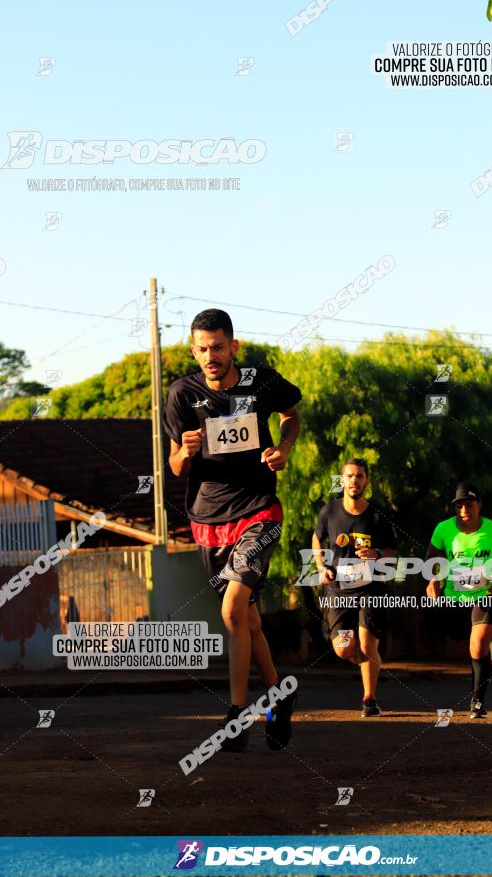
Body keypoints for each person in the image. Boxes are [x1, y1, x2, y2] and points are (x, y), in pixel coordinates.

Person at [164, 308, 301, 752]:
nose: (210, 356)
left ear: (233, 347)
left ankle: (237, 714)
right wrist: (185, 453)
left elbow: (291, 414)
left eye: (218, 347)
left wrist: (283, 448)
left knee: (231, 611)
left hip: (260, 511)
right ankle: (281, 695)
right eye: (202, 349)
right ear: (193, 350)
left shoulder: (259, 380)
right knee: (249, 620)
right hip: (208, 521)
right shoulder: (182, 394)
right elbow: (175, 465)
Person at [312, 458, 397, 717]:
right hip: (338, 590)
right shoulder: (329, 511)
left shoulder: (378, 515)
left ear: (366, 481)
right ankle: (369, 662)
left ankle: (369, 700)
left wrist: (376, 552)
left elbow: (393, 554)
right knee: (344, 648)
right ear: (342, 480)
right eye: (349, 476)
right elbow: (317, 538)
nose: (354, 480)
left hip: (371, 588)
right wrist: (320, 566)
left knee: (368, 644)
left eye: (359, 476)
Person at [425, 482, 492, 719]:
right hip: (454, 596)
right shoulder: (444, 529)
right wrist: (433, 580)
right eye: (460, 505)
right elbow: (432, 557)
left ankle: (477, 701)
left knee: (477, 646)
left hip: (486, 594)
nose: (464, 509)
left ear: (479, 505)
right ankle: (487, 660)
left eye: (469, 505)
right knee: (460, 639)